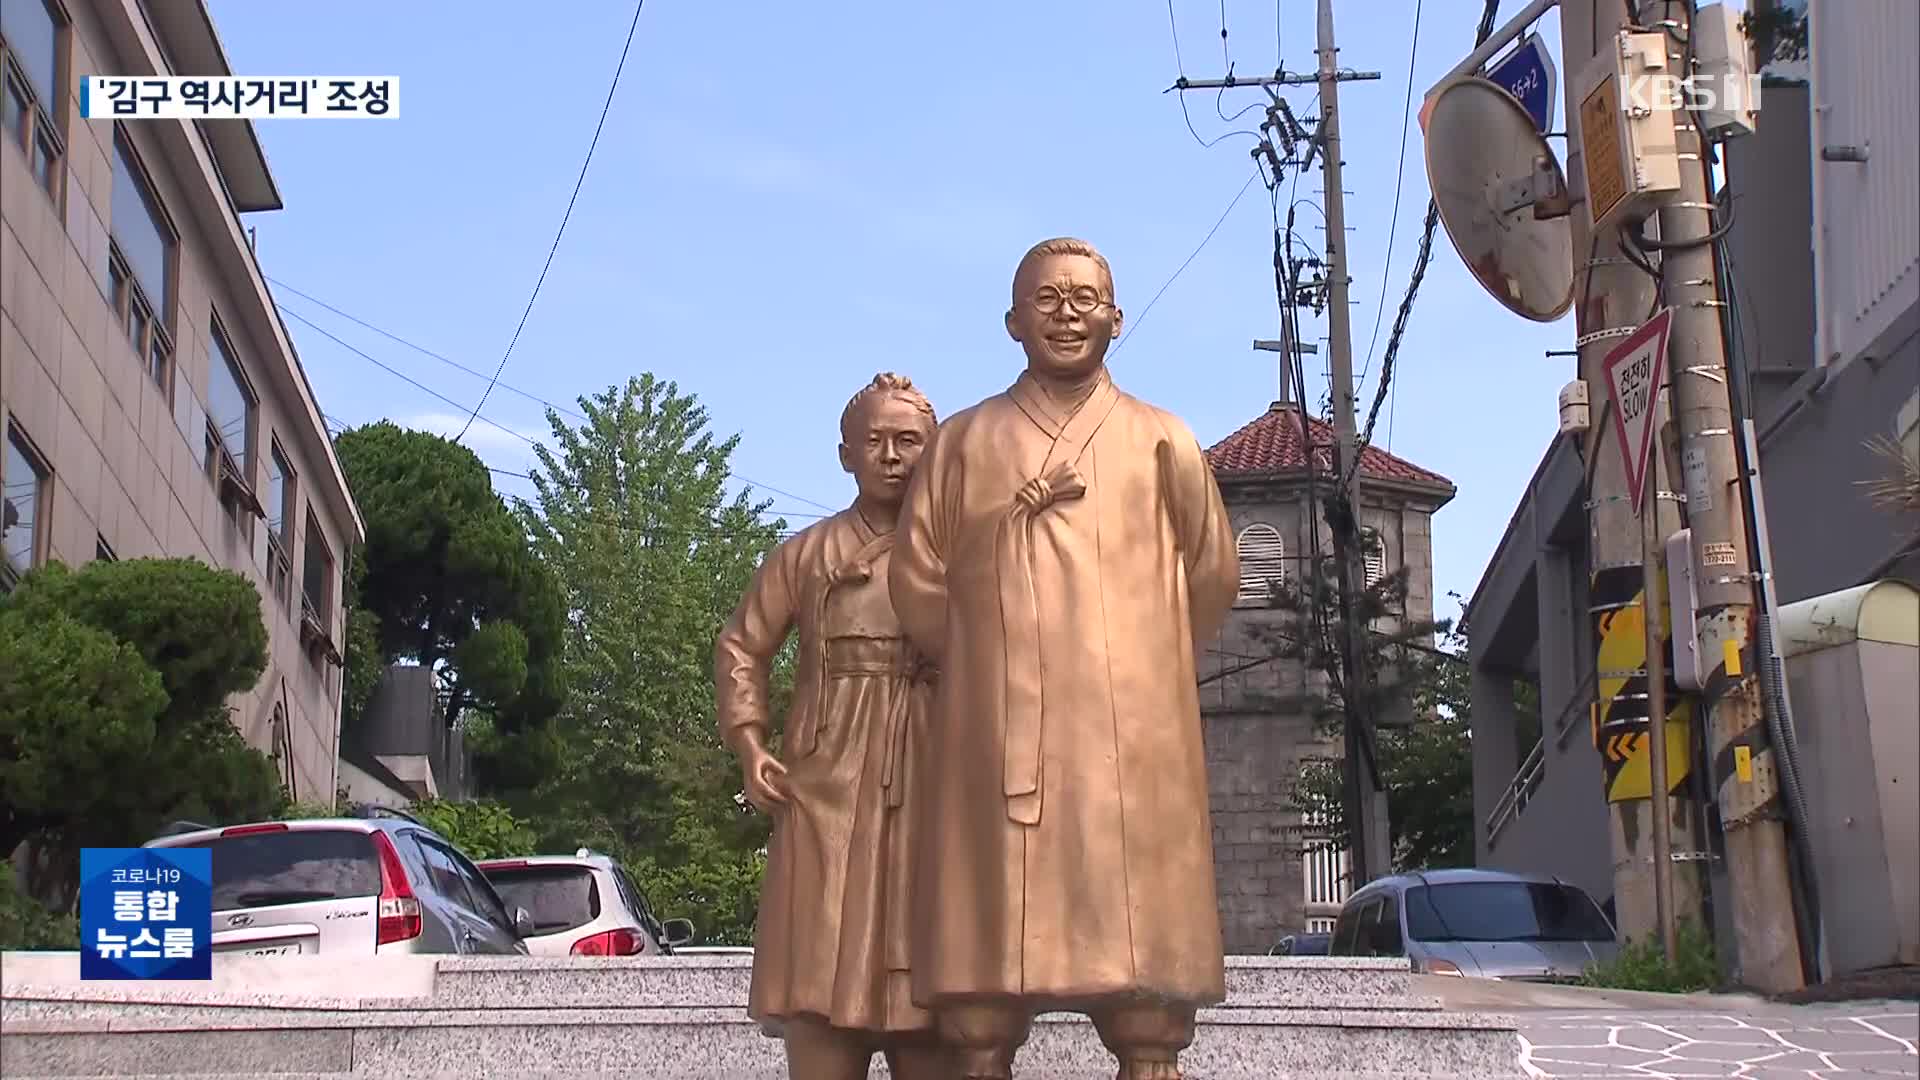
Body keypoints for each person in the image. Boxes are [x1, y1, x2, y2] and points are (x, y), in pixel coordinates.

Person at [890, 237, 1239, 1080]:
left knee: (1146, 983)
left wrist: (1142, 664)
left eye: (1085, 300)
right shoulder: (964, 443)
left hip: (1134, 733)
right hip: (998, 725)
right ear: (1014, 322)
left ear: (1116, 319)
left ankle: (1149, 1054)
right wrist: (985, 660)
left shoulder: (1163, 440)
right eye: (1047, 300)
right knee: (984, 980)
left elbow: (1212, 571)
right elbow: (918, 579)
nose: (1067, 316)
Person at [712, 373, 946, 1080]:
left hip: (929, 756)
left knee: (931, 958)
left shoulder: (957, 554)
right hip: (825, 770)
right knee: (817, 949)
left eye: (909, 441)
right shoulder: (806, 553)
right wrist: (750, 745)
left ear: (933, 452)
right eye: (874, 441)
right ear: (845, 454)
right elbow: (742, 647)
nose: (891, 455)